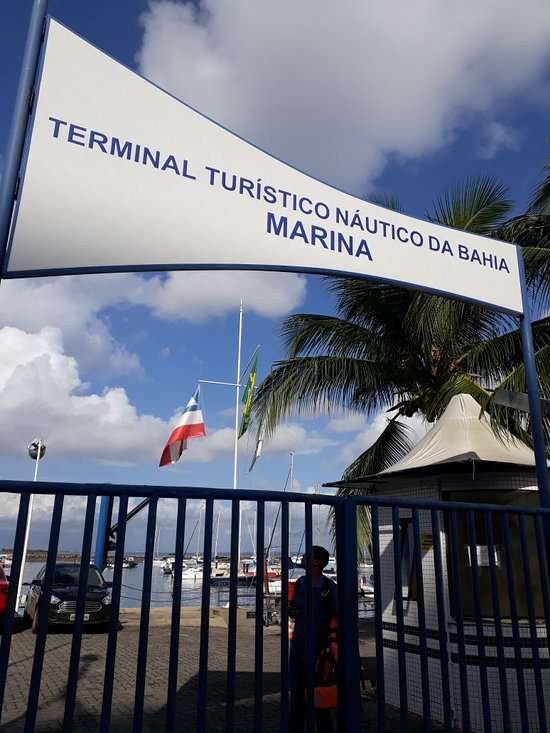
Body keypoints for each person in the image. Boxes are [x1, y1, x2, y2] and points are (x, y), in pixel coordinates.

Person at [288, 545, 338, 733]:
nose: (302, 558)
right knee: (297, 705)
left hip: (318, 653)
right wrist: (291, 611)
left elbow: (340, 617)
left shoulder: (328, 588)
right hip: (297, 651)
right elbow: (293, 609)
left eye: (307, 556)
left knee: (320, 705)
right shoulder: (300, 583)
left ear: (317, 562)